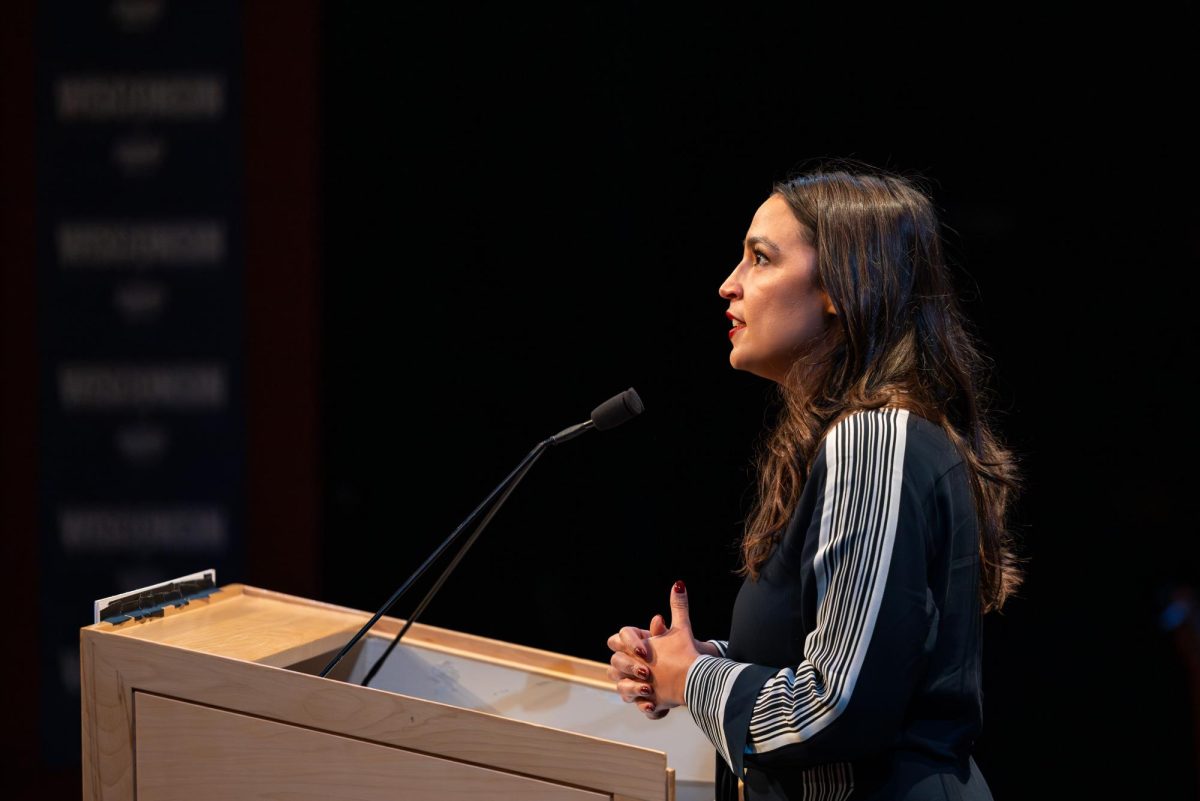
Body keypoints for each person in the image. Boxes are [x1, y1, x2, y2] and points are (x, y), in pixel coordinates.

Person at [605, 161, 1022, 801]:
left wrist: (694, 680)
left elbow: (837, 707)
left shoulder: (874, 442)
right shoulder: (854, 443)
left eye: (761, 259)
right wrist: (682, 662)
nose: (728, 285)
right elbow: (834, 661)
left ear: (841, 287)